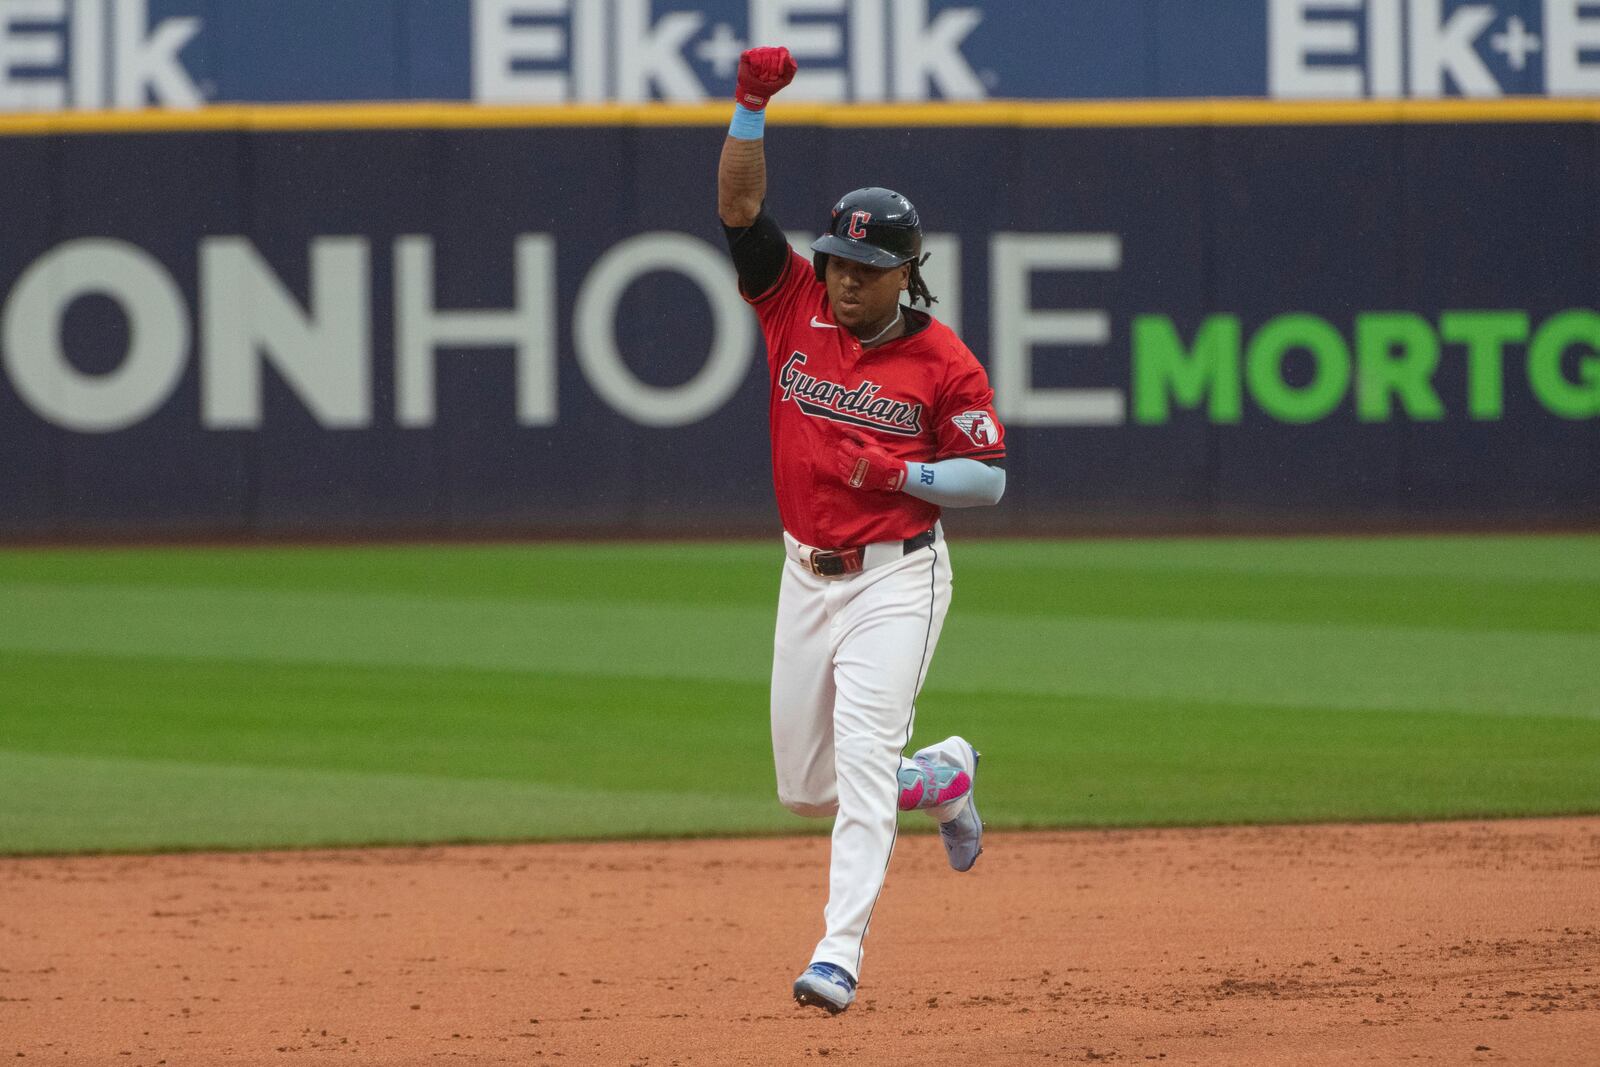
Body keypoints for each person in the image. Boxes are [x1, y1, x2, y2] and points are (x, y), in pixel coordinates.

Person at [717, 46, 1009, 1016]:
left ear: (903, 273)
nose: (844, 280)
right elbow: (739, 214)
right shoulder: (791, 302)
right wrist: (750, 107)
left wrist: (900, 472)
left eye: (867, 266)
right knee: (808, 787)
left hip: (897, 576)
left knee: (858, 758)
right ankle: (941, 775)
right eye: (838, 260)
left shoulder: (944, 363)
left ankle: (836, 951)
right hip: (806, 574)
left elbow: (987, 477)